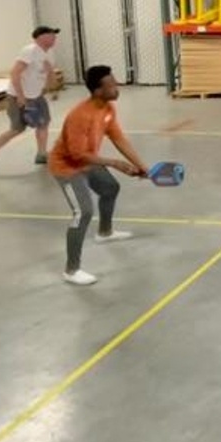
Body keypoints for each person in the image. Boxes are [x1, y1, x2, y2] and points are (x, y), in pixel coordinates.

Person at [49, 65, 149, 286]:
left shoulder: (107, 109)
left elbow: (119, 139)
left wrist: (142, 166)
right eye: (111, 85)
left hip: (88, 160)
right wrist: (114, 163)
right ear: (97, 91)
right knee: (83, 212)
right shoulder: (79, 115)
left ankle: (104, 232)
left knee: (110, 188)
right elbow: (77, 154)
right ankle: (71, 270)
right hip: (67, 167)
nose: (117, 88)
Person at [0, 26, 61, 176]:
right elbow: (15, 73)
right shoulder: (29, 51)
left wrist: (53, 89)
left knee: (44, 123)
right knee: (17, 128)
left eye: (54, 35)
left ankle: (41, 154)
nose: (54, 38)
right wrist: (20, 96)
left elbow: (49, 72)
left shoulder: (49, 53)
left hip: (36, 96)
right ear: (40, 37)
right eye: (51, 35)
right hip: (19, 97)